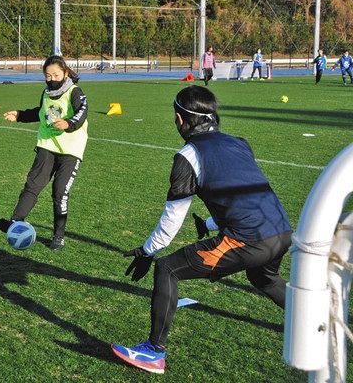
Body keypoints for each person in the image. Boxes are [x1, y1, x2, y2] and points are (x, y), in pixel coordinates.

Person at [111, 85, 292, 375]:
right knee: (264, 278)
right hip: (282, 231)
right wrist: (210, 224)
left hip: (248, 241)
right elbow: (244, 197)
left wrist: (147, 251)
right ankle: (316, 322)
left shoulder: (188, 155)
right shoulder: (239, 143)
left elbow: (173, 218)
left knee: (167, 268)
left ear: (182, 119)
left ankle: (153, 352)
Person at [0, 55, 88, 250]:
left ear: (65, 73)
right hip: (47, 146)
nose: (52, 79)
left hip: (70, 150)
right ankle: (15, 223)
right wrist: (20, 115)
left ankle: (58, 236)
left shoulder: (75, 92)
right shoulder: (46, 93)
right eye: (48, 76)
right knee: (32, 185)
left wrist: (68, 123)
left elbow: (82, 112)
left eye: (56, 75)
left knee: (59, 192)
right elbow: (40, 112)